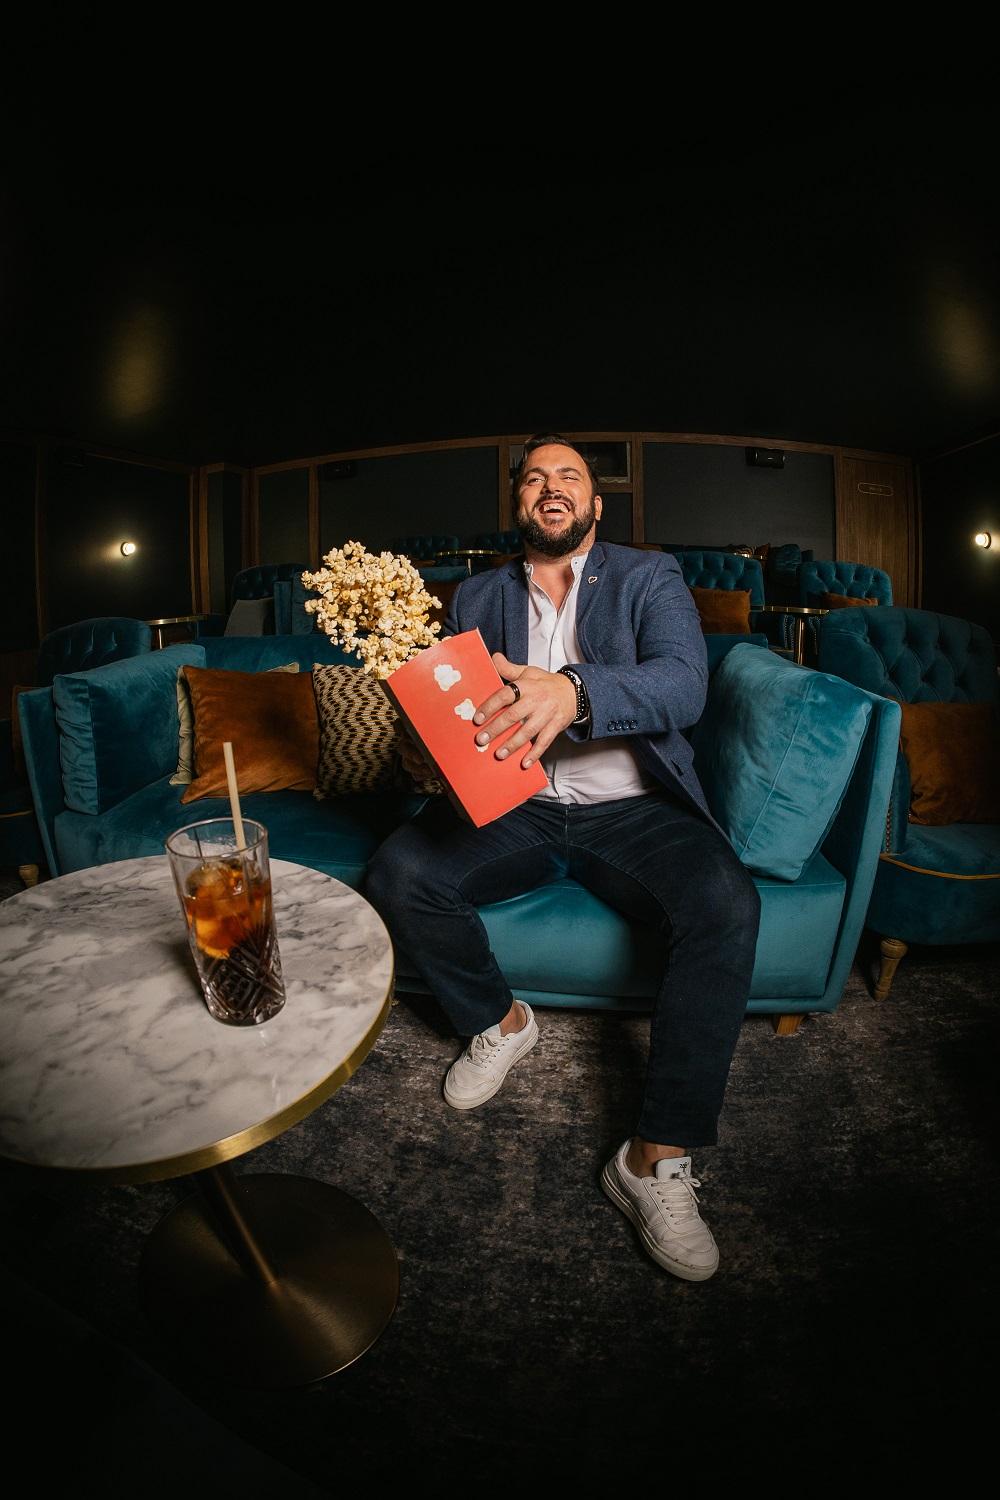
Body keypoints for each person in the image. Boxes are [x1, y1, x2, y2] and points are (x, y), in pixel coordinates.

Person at [365, 434, 760, 1281]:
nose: (552, 487)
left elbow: (684, 684)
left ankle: (653, 1159)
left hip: (635, 810)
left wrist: (573, 688)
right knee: (398, 872)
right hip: (519, 805)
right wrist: (435, 742)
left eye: (569, 476)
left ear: (594, 503)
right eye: (535, 477)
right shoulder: (477, 594)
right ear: (517, 502)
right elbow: (458, 711)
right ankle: (500, 1022)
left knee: (726, 904)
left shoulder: (648, 576)